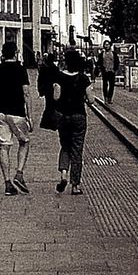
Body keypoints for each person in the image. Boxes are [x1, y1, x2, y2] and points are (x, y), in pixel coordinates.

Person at [40, 47, 94, 194]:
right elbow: (91, 100)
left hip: (63, 117)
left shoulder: (59, 77)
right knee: (77, 150)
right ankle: (76, 185)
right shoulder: (83, 78)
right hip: (79, 116)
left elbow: (56, 97)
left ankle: (63, 174)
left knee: (65, 146)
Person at [0, 41, 33, 196]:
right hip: (17, 113)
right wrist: (30, 116)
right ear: (15, 53)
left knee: (3, 146)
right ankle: (19, 173)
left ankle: (7, 183)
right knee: (24, 142)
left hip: (0, 113)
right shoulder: (21, 70)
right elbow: (26, 93)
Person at [95, 39, 120, 104]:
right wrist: (102, 69)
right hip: (105, 72)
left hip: (112, 71)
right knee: (105, 85)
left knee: (111, 85)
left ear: (110, 45)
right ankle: (105, 98)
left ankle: (110, 98)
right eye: (105, 45)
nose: (106, 46)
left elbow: (117, 62)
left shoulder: (114, 54)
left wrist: (115, 69)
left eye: (107, 44)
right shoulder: (101, 54)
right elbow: (99, 63)